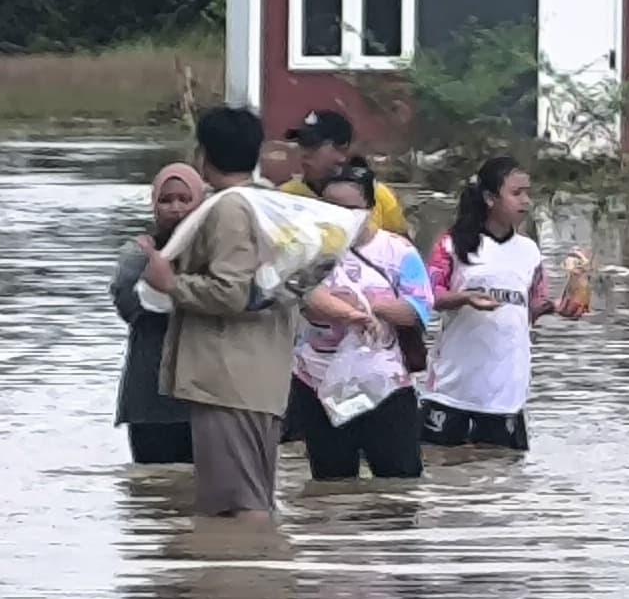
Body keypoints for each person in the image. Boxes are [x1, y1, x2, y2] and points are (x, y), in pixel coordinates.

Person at [143, 106, 302, 517]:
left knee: (236, 508)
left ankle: (239, 578)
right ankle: (263, 576)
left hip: (227, 379)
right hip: (262, 376)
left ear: (203, 155)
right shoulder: (274, 203)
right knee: (252, 499)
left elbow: (231, 292)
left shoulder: (230, 209)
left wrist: (171, 283)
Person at [421, 156, 588, 452]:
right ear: (489, 198)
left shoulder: (530, 251)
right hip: (452, 389)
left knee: (504, 483)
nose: (525, 201)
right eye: (516, 193)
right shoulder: (454, 244)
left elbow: (529, 310)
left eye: (528, 193)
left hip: (505, 393)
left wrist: (558, 308)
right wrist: (465, 297)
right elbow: (430, 297)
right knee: (441, 479)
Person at [283, 160, 433, 480]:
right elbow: (304, 299)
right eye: (330, 207)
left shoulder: (398, 251)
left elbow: (418, 310)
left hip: (387, 385)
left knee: (399, 486)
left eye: (350, 208)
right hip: (318, 385)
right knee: (331, 489)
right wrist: (349, 312)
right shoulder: (309, 250)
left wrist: (374, 308)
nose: (339, 217)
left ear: (370, 207)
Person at [110, 163, 205, 466]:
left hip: (204, 395)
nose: (175, 209)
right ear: (154, 206)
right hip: (148, 393)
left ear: (200, 203)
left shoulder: (217, 252)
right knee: (152, 494)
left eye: (184, 199)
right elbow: (129, 307)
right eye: (166, 200)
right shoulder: (137, 254)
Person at [279, 107, 409, 241]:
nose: (304, 153)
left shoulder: (379, 196)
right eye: (302, 144)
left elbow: (405, 252)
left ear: (342, 150)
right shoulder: (285, 197)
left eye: (312, 144)